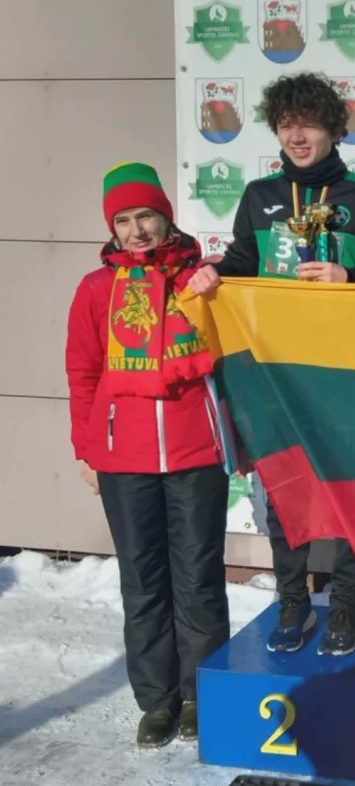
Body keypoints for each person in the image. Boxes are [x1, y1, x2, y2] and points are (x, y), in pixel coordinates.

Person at [189, 72, 355, 656]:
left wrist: (351, 276)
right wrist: (213, 272)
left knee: (350, 490)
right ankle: (293, 602)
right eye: (286, 125)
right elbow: (243, 261)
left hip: (347, 374)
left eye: (309, 125)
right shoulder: (260, 195)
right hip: (276, 372)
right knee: (283, 492)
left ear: (335, 129)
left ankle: (346, 604)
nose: (297, 137)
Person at [66, 162, 230, 747]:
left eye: (146, 217)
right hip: (122, 457)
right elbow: (83, 374)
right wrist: (86, 449)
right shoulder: (95, 289)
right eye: (123, 221)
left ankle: (201, 693)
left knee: (199, 579)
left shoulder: (200, 279)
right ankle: (157, 700)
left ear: (166, 217)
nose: (136, 231)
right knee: (142, 581)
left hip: (195, 452)